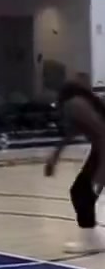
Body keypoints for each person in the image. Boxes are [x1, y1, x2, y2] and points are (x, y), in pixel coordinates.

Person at [44, 74, 105, 252]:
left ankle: (91, 240)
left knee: (82, 192)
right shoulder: (79, 103)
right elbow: (73, 131)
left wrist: (101, 173)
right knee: (82, 192)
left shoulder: (74, 104)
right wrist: (55, 155)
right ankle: (91, 238)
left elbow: (103, 135)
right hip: (99, 149)